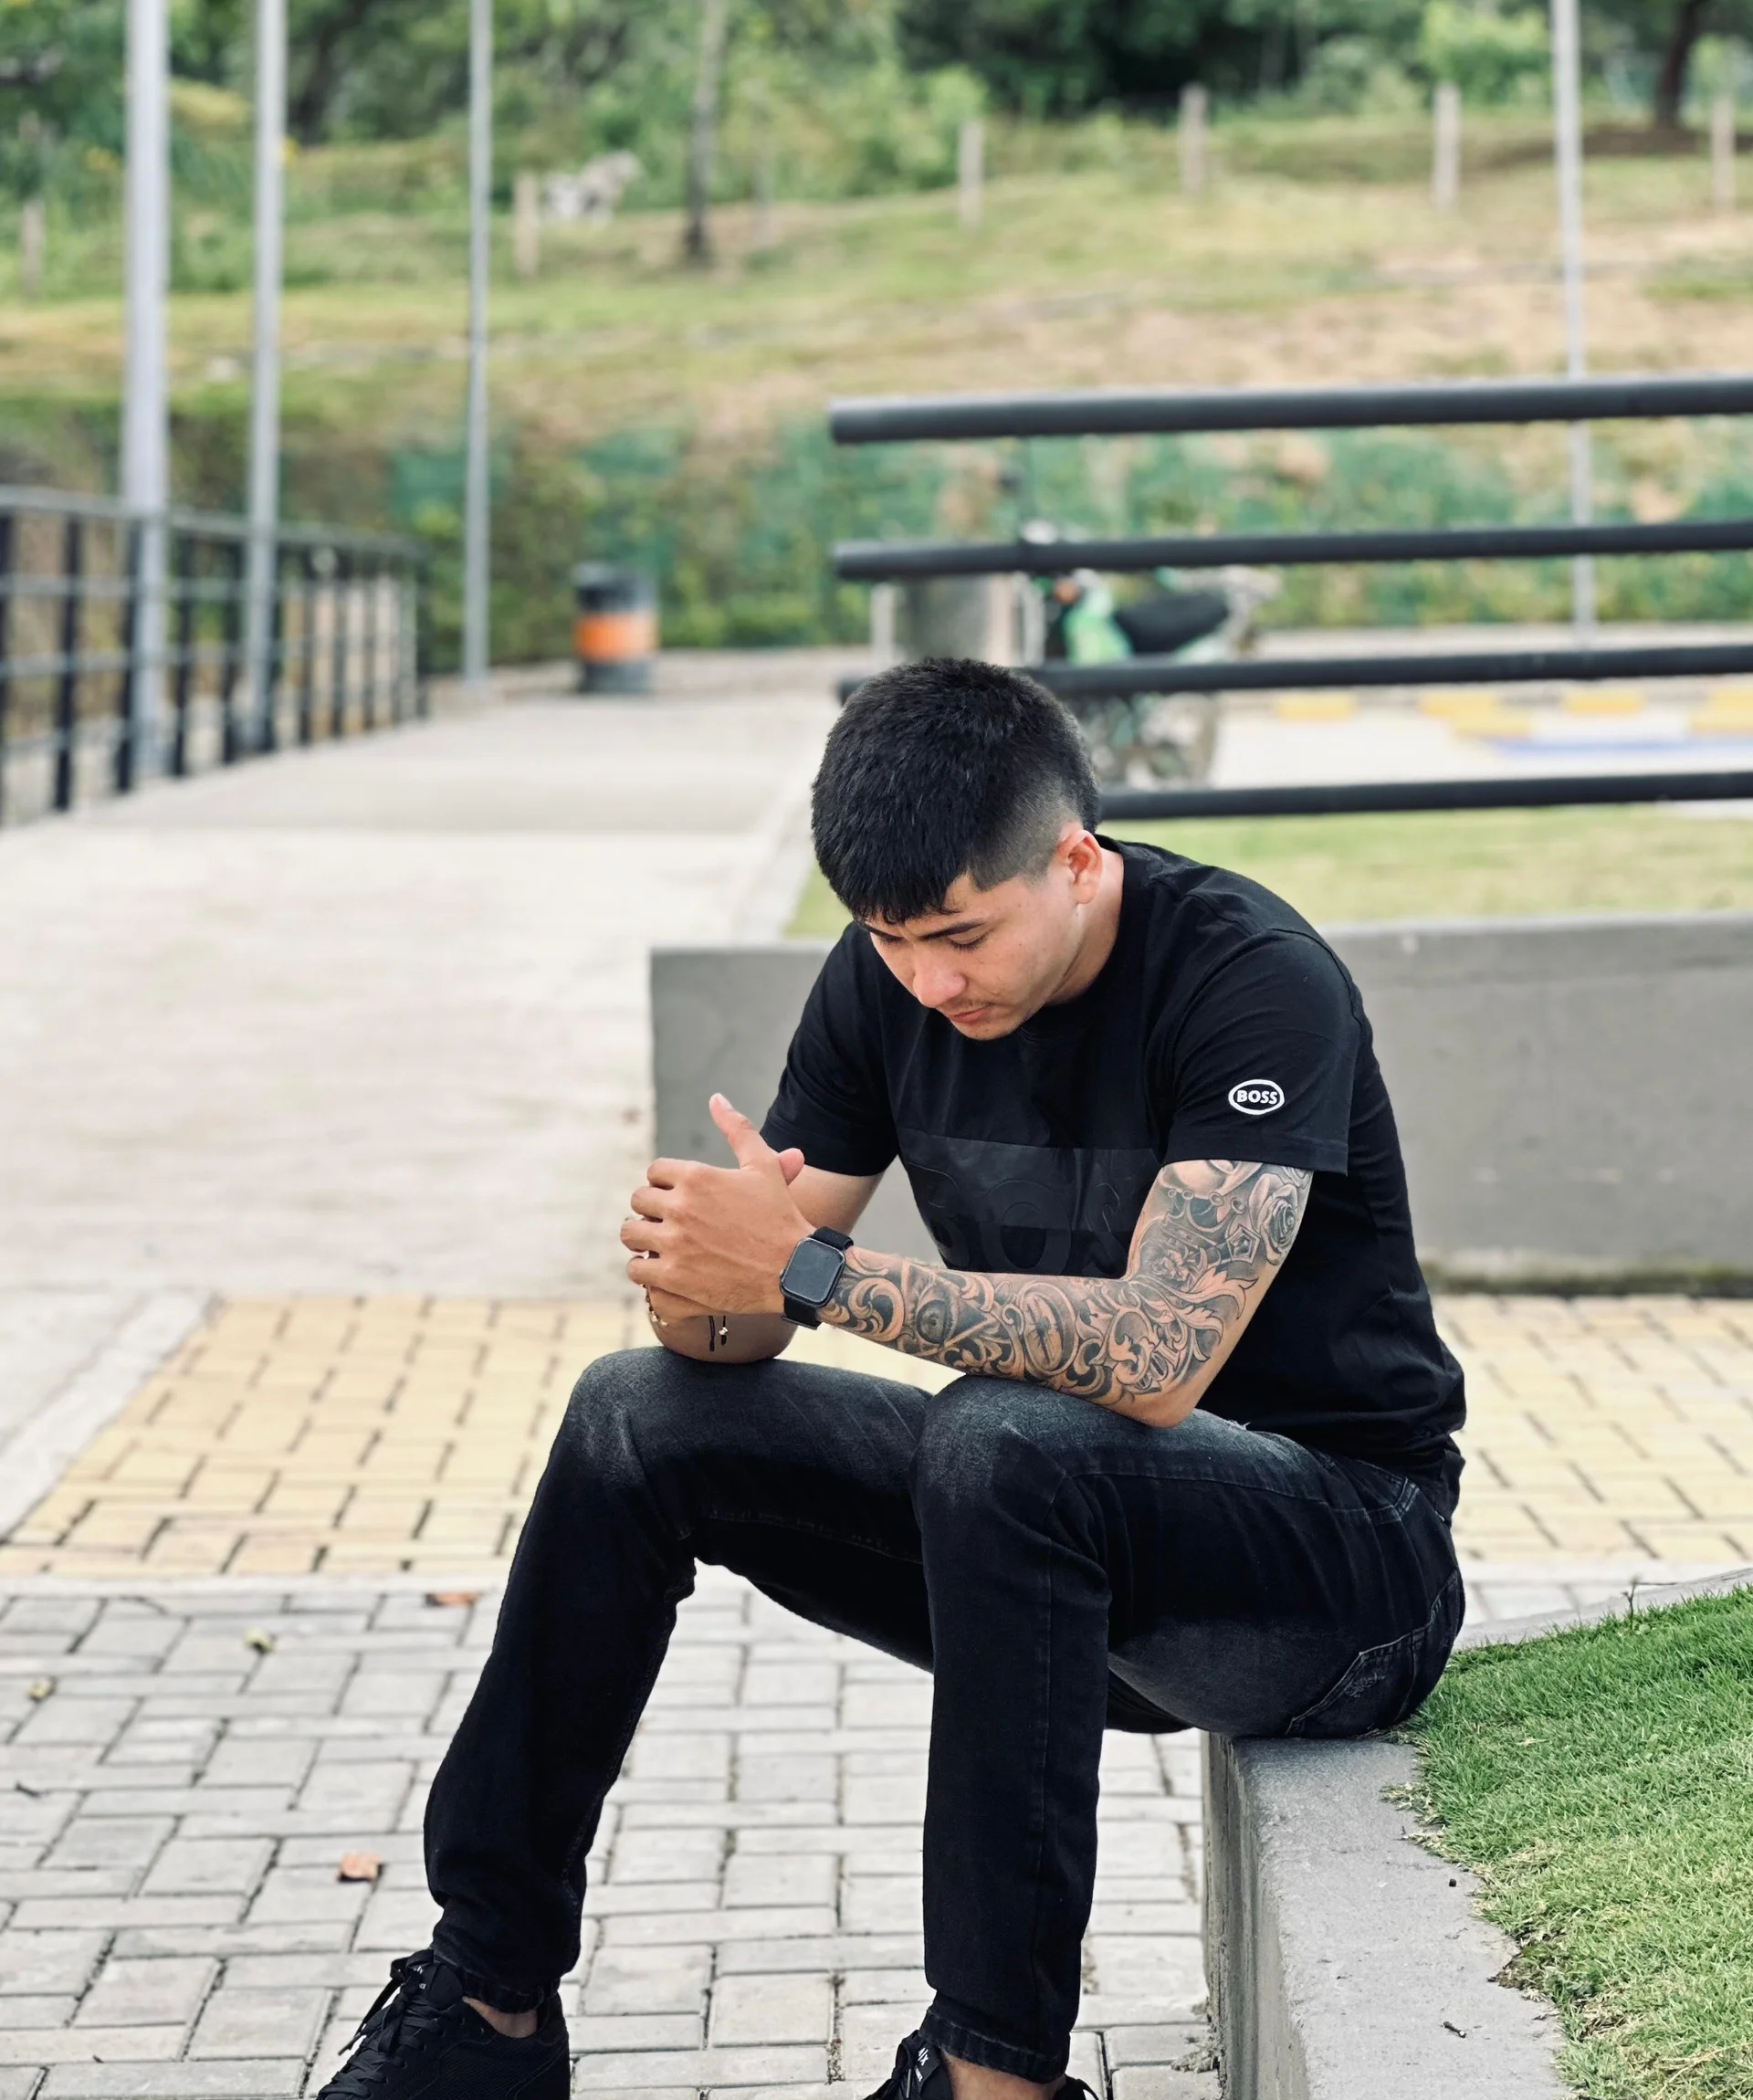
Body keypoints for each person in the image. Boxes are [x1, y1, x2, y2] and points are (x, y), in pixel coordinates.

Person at [318, 658, 1465, 2100]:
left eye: (962, 937)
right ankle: (482, 2008)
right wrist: (703, 1279)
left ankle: (994, 2078)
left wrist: (807, 1271)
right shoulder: (884, 982)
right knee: (634, 1418)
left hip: (1340, 1572)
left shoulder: (1249, 978)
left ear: (1075, 861)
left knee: (1003, 1436)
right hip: (1053, 1550)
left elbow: (1161, 1355)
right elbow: (746, 1330)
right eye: (892, 939)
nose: (930, 981)